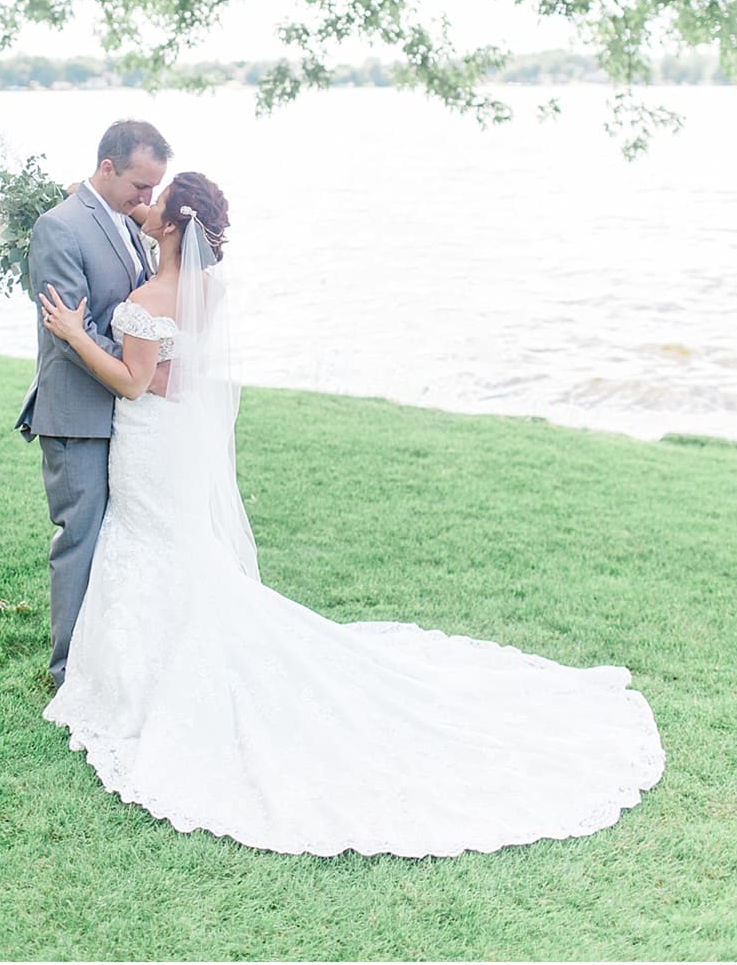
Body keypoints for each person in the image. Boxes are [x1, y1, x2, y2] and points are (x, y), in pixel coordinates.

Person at [35, 171, 666, 857]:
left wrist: (74, 332)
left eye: (154, 202)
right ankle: (158, 660)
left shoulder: (150, 297)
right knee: (180, 549)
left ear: (171, 222)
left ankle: (144, 675)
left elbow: (131, 383)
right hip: (182, 444)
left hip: (151, 443)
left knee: (150, 543)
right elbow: (175, 370)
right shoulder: (205, 290)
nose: (144, 207)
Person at [15, 120, 169, 688]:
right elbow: (68, 333)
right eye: (139, 186)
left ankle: (111, 658)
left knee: (122, 539)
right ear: (107, 168)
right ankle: (67, 673)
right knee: (80, 539)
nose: (146, 200)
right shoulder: (59, 228)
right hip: (77, 411)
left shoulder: (131, 225)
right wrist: (138, 374)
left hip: (125, 416)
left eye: (155, 189)